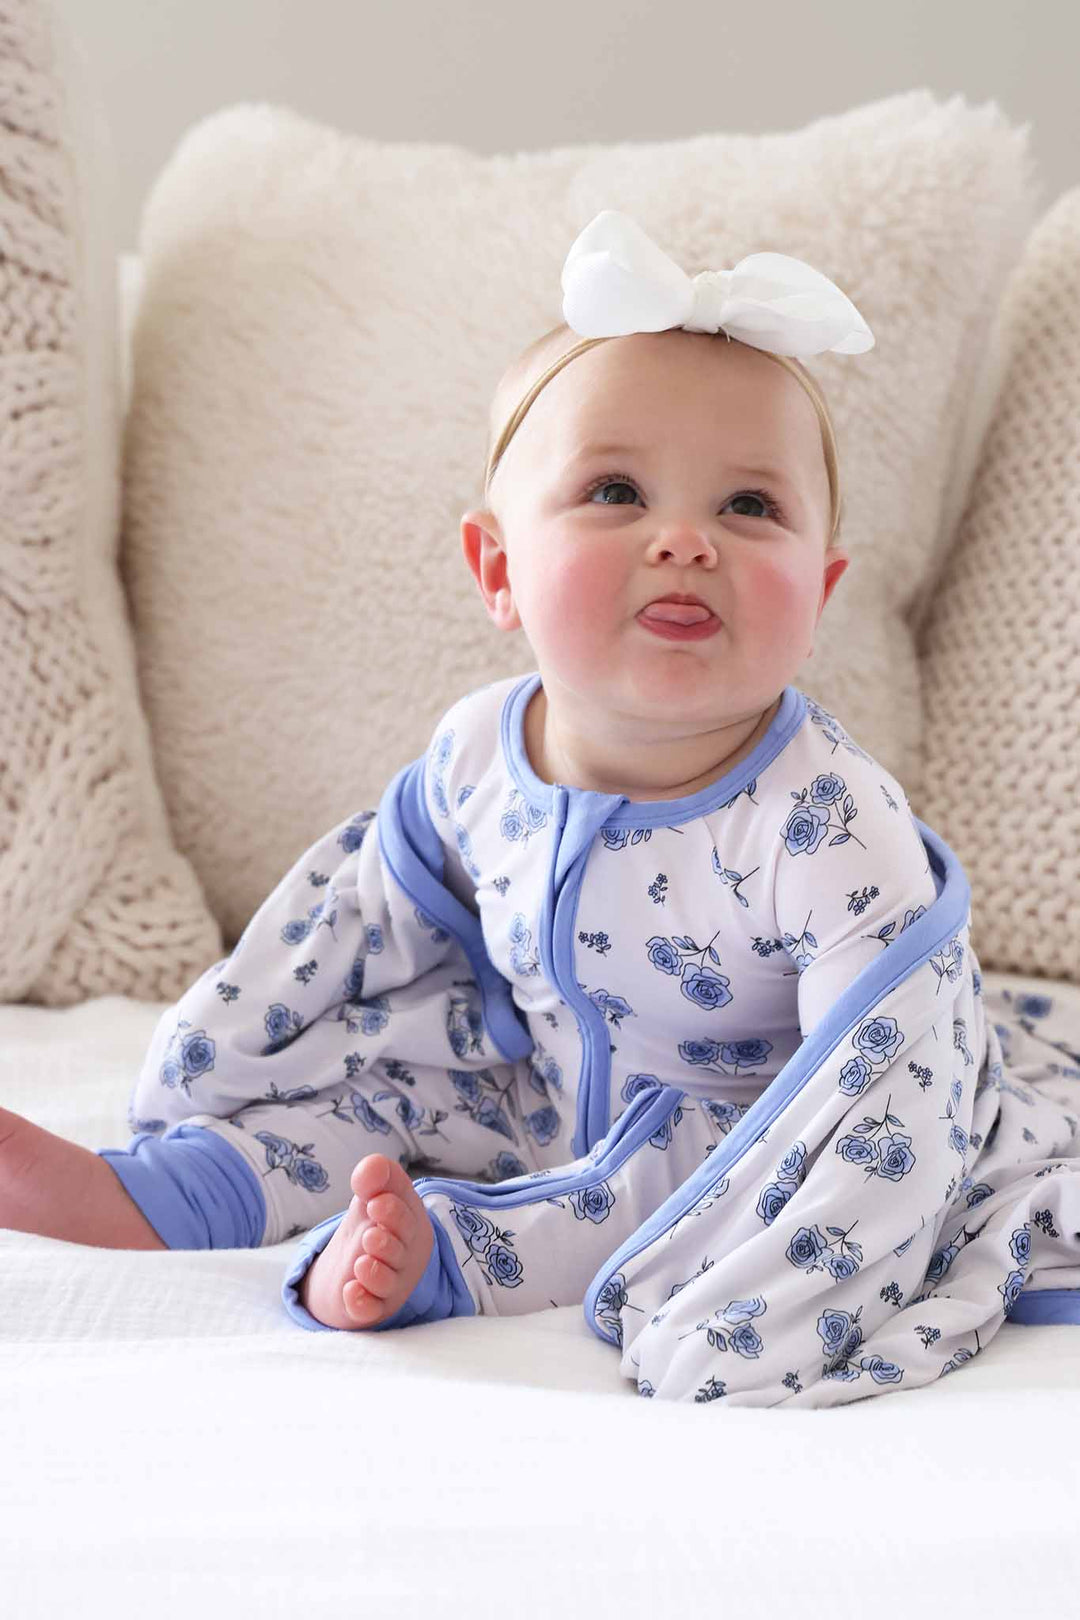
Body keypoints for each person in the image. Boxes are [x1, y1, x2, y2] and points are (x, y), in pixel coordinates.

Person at [3, 211, 1077, 1405]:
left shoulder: (823, 822)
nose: (685, 541)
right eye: (616, 491)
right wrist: (213, 1062)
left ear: (819, 595)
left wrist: (779, 1282)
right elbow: (346, 929)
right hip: (525, 1082)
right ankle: (159, 1193)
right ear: (498, 569)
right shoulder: (476, 753)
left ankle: (437, 1260)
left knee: (637, 1191)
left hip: (744, 1122)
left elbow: (876, 1087)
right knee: (374, 1098)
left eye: (751, 508)